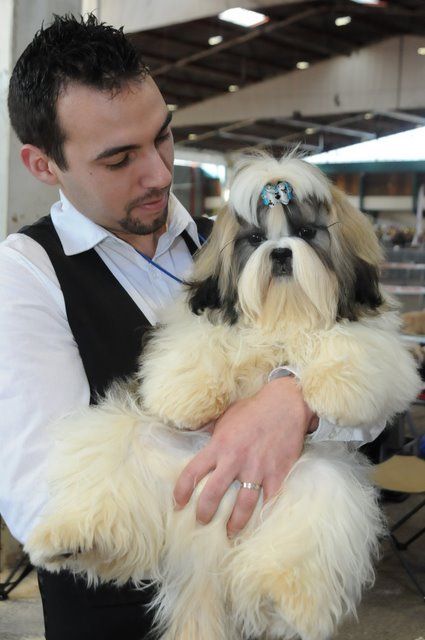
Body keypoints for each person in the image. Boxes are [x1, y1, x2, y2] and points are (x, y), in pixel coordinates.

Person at [0, 14, 384, 640]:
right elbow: (43, 504)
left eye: (164, 137)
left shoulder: (230, 245)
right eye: (120, 158)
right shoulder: (23, 275)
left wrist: (294, 401)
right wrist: (223, 457)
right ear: (44, 165)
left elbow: (372, 417)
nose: (157, 174)